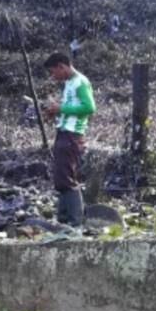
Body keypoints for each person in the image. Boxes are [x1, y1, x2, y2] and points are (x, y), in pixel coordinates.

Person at [43, 53, 95, 227]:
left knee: (66, 176)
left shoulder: (80, 81)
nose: (53, 76)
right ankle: (63, 219)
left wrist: (61, 108)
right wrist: (56, 112)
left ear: (61, 66)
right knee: (60, 175)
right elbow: (70, 109)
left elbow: (89, 107)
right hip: (64, 132)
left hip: (72, 134)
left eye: (53, 72)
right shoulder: (69, 83)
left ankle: (75, 221)